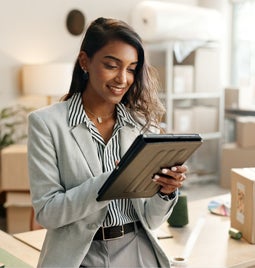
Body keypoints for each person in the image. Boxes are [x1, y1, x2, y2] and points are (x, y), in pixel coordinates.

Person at [27, 17, 187, 268]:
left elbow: (152, 220)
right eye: (112, 65)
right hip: (78, 257)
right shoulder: (46, 124)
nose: (123, 78)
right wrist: (111, 181)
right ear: (84, 62)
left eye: (132, 68)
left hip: (137, 251)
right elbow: (48, 213)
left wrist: (166, 192)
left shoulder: (144, 125)